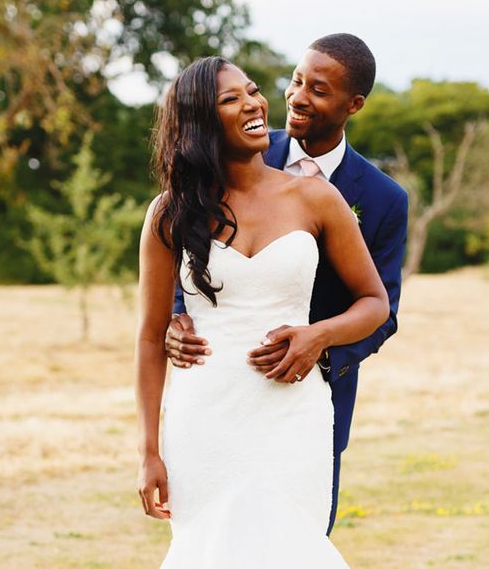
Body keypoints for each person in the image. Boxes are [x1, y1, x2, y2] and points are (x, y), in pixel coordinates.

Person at [136, 55, 389, 567]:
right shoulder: (170, 211)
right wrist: (147, 450)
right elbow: (148, 337)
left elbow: (375, 303)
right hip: (202, 417)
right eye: (231, 99)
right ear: (200, 123)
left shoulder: (317, 198)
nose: (254, 103)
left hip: (292, 414)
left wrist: (319, 335)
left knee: (292, 546)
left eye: (252, 90)